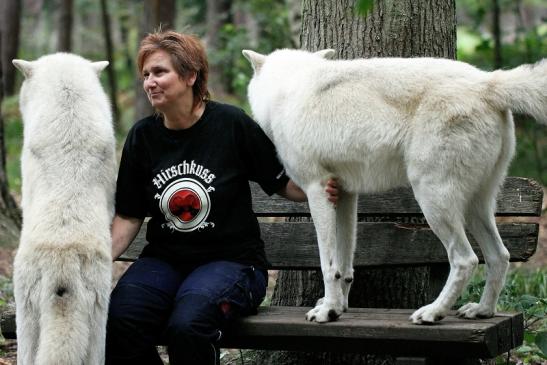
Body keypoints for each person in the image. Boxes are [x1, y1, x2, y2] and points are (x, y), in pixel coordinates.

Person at [105, 30, 339, 365]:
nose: (150, 82)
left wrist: (322, 187)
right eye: (145, 75)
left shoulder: (230, 124)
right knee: (119, 321)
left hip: (233, 263)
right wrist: (97, 264)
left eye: (159, 72)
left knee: (188, 325)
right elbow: (128, 217)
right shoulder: (143, 137)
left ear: (190, 75)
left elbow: (283, 182)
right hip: (164, 262)